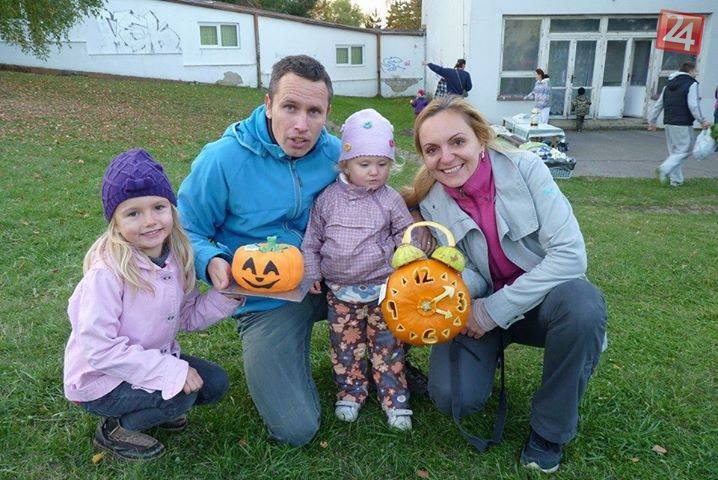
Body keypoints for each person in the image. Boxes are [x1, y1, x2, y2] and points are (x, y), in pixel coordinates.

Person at [177, 55, 427, 446]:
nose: (301, 125)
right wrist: (212, 261)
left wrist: (415, 220)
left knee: (409, 288)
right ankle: (320, 366)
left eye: (314, 112)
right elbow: (185, 229)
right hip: (268, 296)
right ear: (268, 104)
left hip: (339, 279)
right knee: (295, 429)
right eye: (290, 107)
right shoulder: (222, 160)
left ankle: (387, 361)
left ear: (327, 113)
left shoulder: (337, 156)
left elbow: (380, 194)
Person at [403, 97, 607, 474]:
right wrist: (453, 291)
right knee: (452, 398)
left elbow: (570, 256)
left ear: (481, 139)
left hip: (541, 305)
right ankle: (485, 356)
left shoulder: (527, 168)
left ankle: (549, 432)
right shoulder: (431, 201)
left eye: (457, 142)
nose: (446, 158)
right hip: (480, 309)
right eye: (432, 150)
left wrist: (493, 312)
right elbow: (468, 270)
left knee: (582, 305)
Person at [63, 148, 241, 461]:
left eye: (158, 207)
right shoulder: (106, 275)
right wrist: (169, 372)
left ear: (171, 209)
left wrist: (227, 295)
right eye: (133, 213)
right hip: (101, 378)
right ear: (115, 222)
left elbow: (187, 317)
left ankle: (153, 406)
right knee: (178, 396)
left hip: (146, 362)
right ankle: (117, 429)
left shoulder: (174, 261)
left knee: (213, 383)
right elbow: (100, 350)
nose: (150, 221)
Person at [301, 109, 414, 430]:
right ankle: (351, 392)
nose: (375, 172)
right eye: (365, 164)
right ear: (346, 164)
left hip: (383, 293)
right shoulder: (328, 199)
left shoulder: (390, 200)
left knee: (388, 346)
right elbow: (312, 239)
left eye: (383, 164)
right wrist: (312, 272)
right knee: (346, 347)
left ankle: (394, 398)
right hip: (340, 294)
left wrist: (403, 256)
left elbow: (405, 235)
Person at [648, 61, 711, 187]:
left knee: (675, 152)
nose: (697, 73)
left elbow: (658, 105)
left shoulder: (668, 85)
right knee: (685, 150)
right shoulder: (692, 84)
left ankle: (676, 180)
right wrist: (702, 120)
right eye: (696, 71)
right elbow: (693, 105)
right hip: (683, 122)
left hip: (669, 122)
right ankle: (664, 169)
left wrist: (652, 121)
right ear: (690, 71)